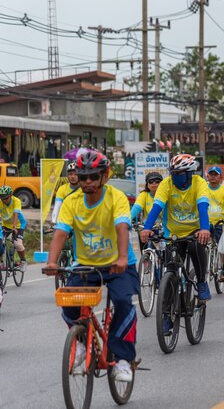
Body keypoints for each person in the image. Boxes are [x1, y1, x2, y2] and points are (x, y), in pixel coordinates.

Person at [44, 150, 139, 382]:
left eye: (93, 177)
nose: (87, 182)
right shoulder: (71, 202)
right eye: (83, 176)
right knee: (67, 304)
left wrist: (122, 258)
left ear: (104, 176)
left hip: (119, 264)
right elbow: (61, 233)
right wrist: (52, 261)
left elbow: (121, 227)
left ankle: (123, 360)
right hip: (85, 264)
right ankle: (78, 344)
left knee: (123, 302)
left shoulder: (116, 198)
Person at [140, 153, 212, 306]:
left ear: (189, 173)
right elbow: (157, 207)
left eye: (179, 173)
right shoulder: (166, 184)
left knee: (196, 248)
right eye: (173, 173)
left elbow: (203, 207)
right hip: (172, 233)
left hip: (195, 231)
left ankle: (201, 282)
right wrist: (146, 228)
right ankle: (166, 317)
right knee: (170, 272)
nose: (175, 177)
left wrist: (205, 229)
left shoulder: (199, 183)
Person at [206, 166, 224, 282]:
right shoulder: (203, 189)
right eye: (211, 174)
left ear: (221, 177)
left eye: (216, 174)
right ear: (207, 176)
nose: (213, 176)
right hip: (205, 222)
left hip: (221, 223)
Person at [0, 186, 27, 269]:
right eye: (2, 198)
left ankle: (23, 261)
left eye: (6, 198)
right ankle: (1, 263)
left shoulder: (16, 201)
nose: (4, 200)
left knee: (17, 244)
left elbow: (16, 214)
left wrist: (14, 227)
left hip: (19, 225)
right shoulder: (1, 202)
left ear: (11, 195)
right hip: (5, 225)